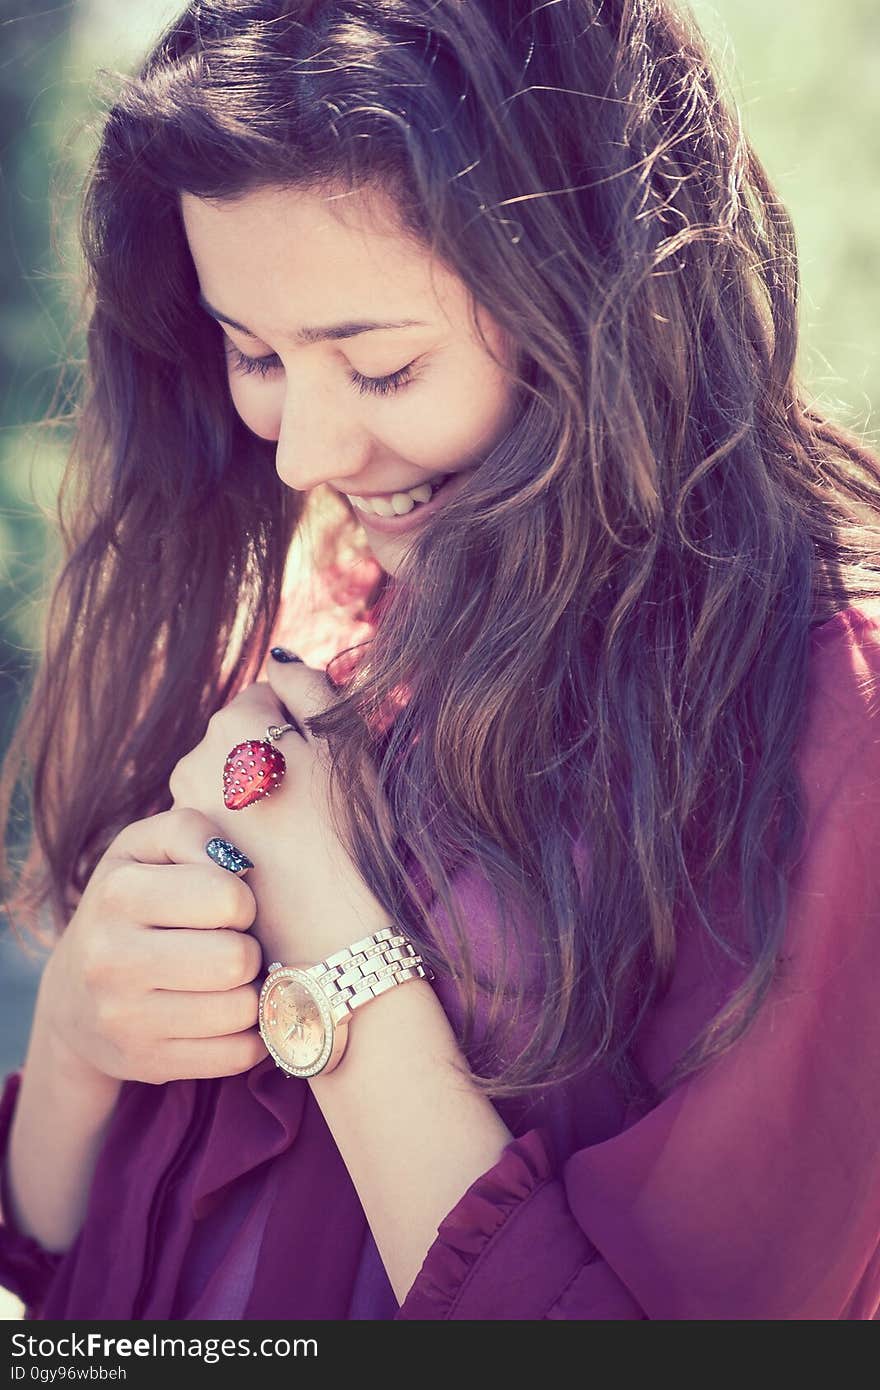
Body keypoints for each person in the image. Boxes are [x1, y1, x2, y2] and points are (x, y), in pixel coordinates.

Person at [0, 0, 879, 1322]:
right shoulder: (325, 584)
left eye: (383, 366)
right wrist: (76, 1034)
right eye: (253, 354)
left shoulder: (824, 727)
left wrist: (332, 936)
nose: (303, 455)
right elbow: (72, 1261)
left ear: (601, 296)